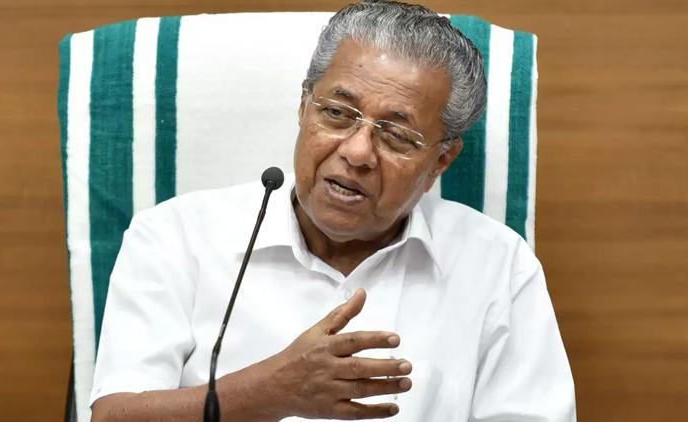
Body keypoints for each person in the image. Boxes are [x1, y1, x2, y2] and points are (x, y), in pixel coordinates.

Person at [90, 1, 576, 421]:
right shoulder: (176, 236)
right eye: (338, 114)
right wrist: (272, 391)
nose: (358, 152)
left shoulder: (497, 265)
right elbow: (112, 416)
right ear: (304, 107)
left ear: (441, 161)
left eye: (397, 135)